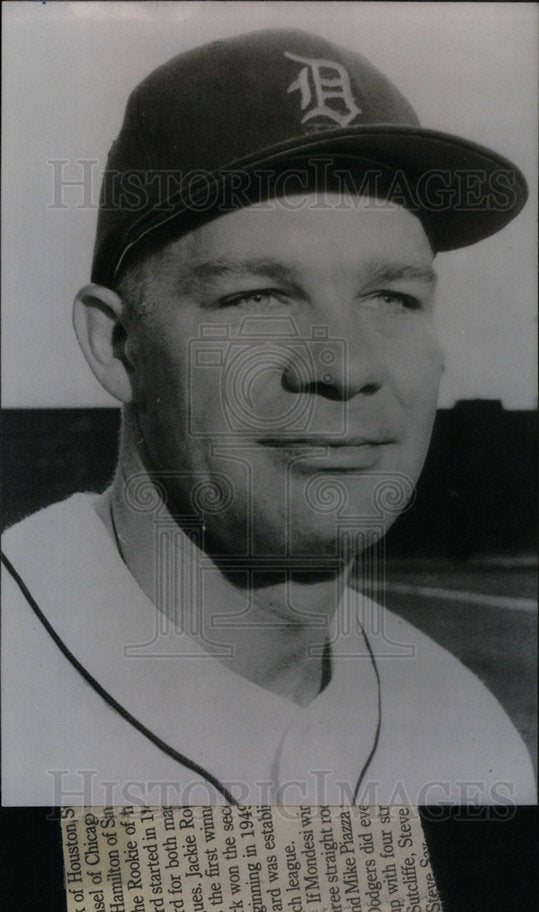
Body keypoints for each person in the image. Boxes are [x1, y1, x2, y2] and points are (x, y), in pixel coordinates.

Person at [2, 28, 535, 806]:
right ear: (117, 347)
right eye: (256, 297)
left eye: (392, 297)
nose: (344, 367)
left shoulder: (466, 734)